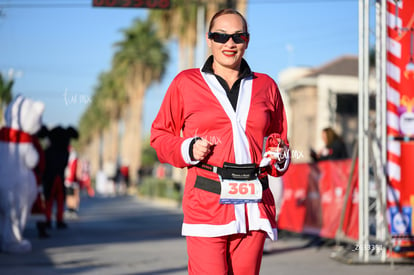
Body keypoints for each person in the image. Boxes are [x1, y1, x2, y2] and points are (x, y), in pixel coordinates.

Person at [150, 8, 290, 275]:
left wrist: (280, 156)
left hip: (254, 205)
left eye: (238, 36)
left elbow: (278, 140)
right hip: (206, 202)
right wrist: (188, 148)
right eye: (221, 36)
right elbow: (159, 136)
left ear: (246, 41)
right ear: (209, 39)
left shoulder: (266, 86)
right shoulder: (185, 83)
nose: (230, 43)